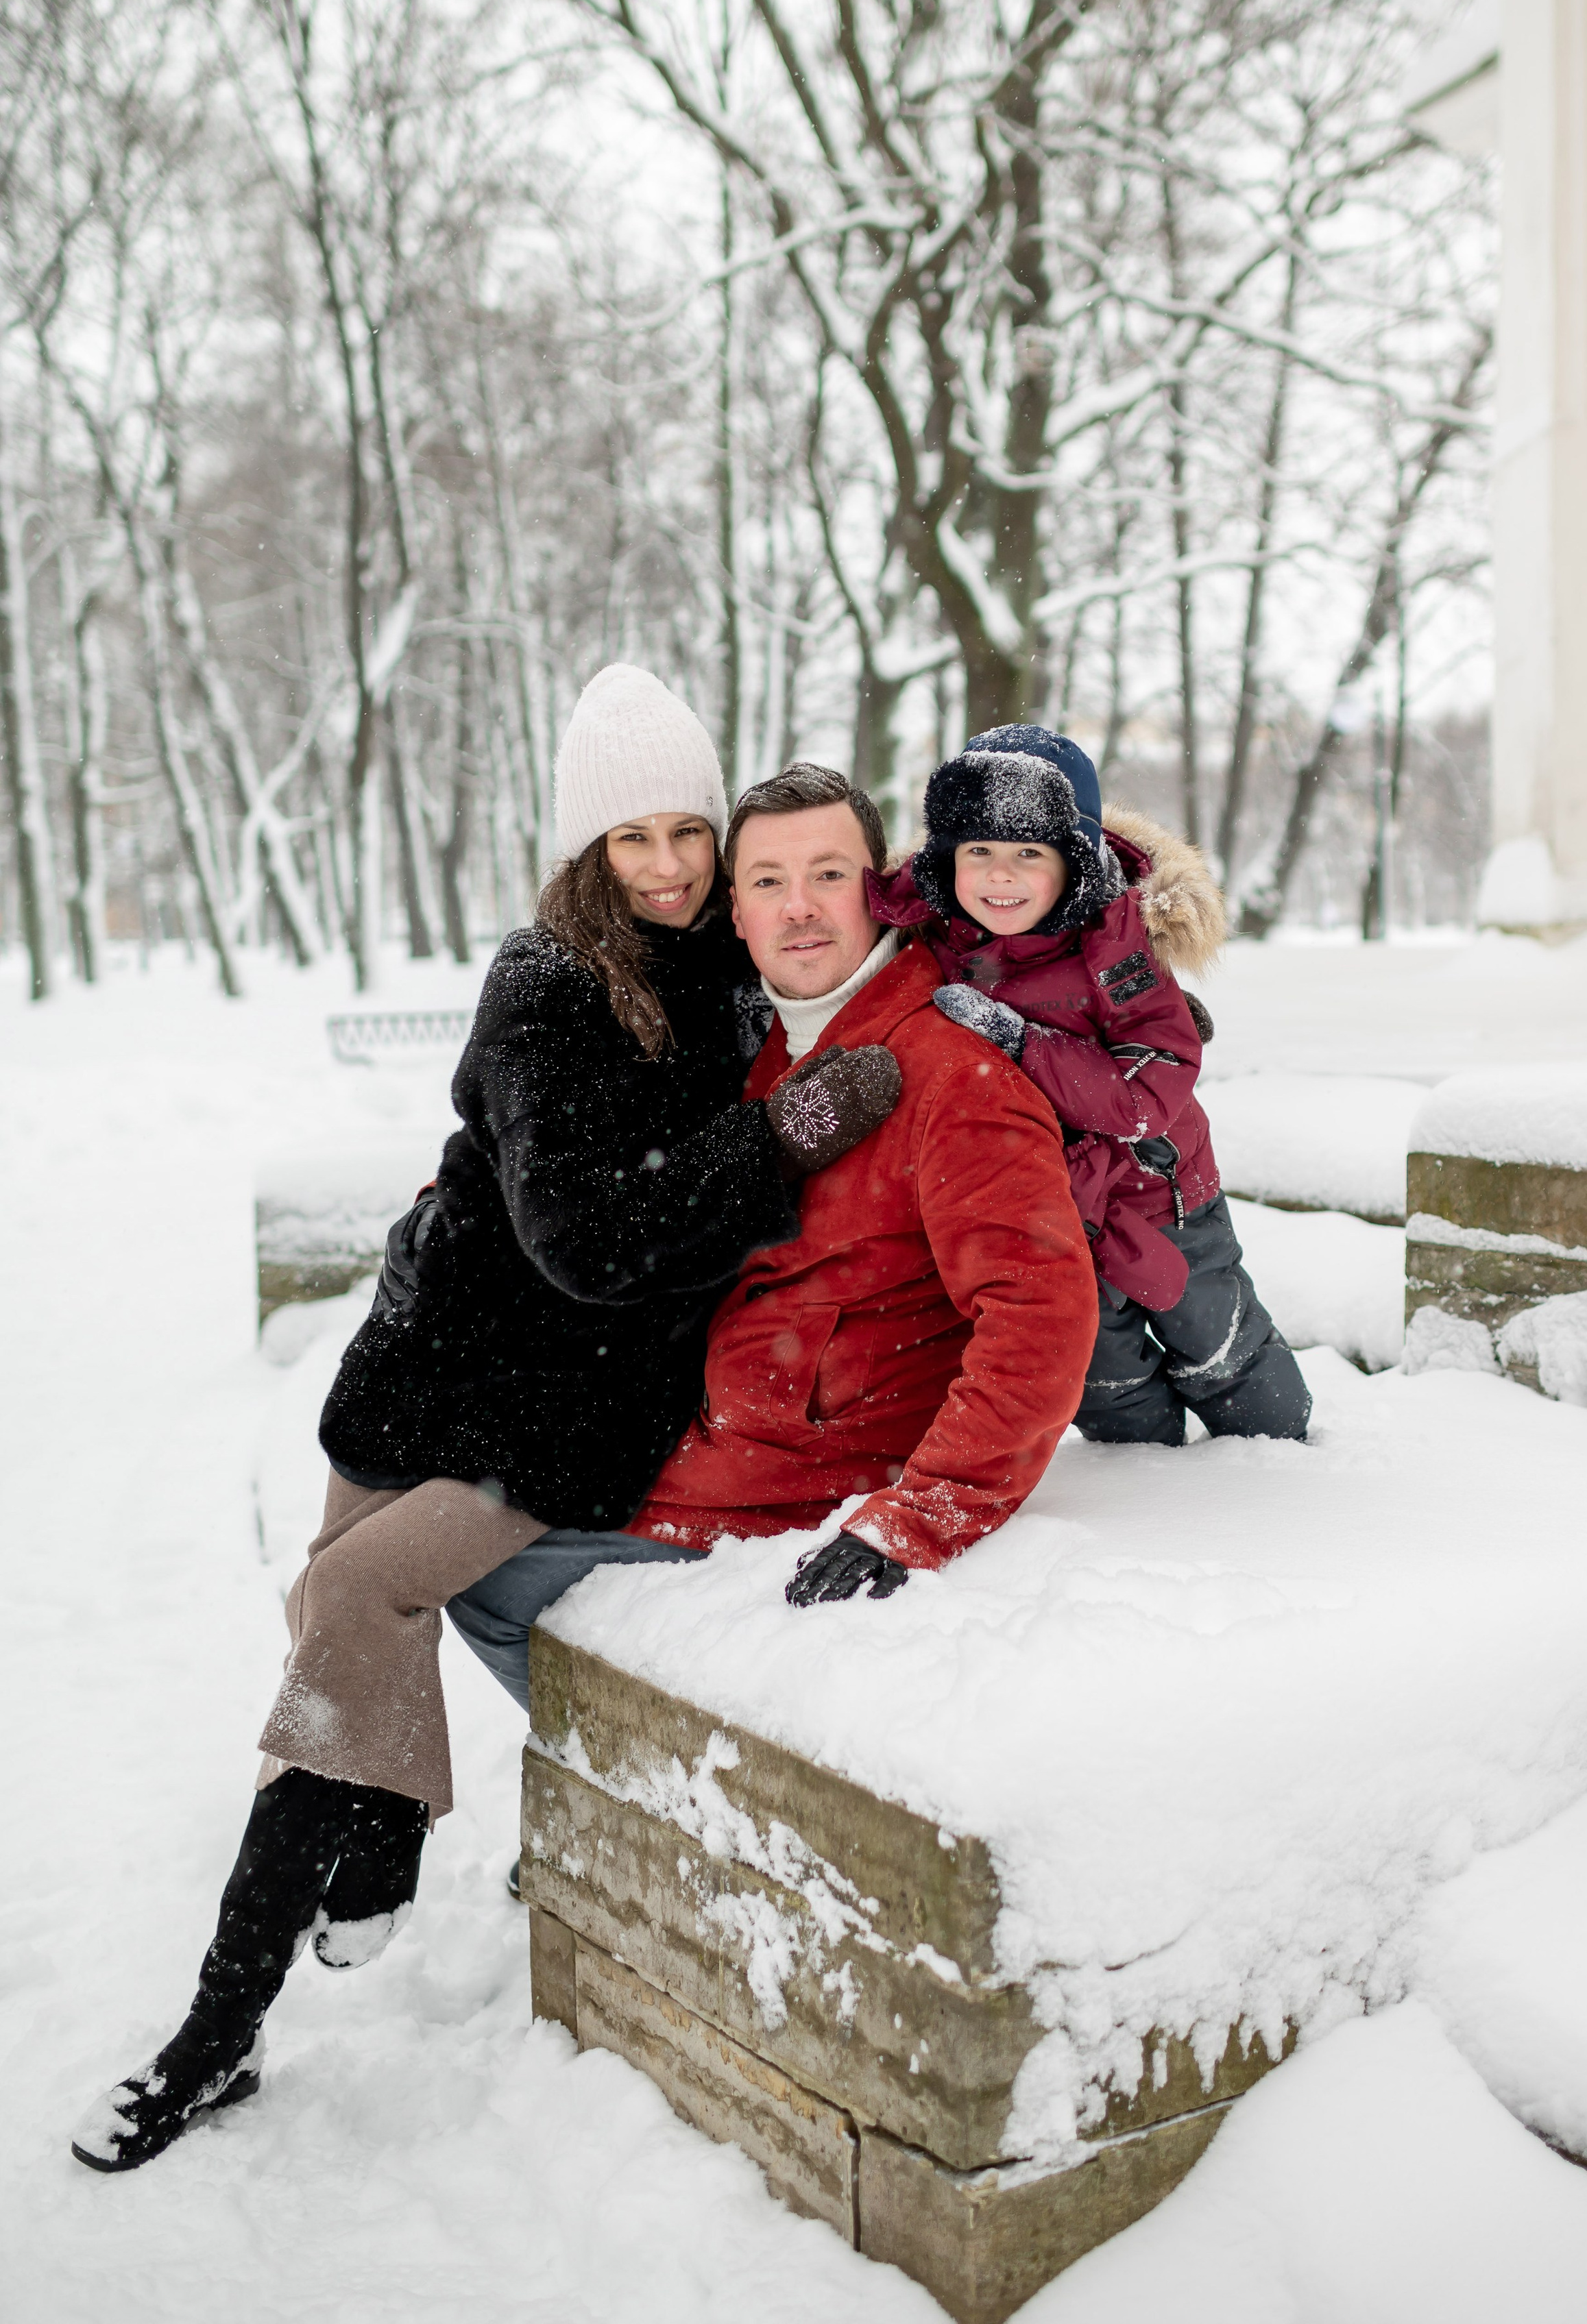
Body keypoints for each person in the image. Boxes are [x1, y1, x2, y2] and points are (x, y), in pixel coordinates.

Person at [72, 670, 897, 2175]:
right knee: (328, 1636)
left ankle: (214, 2028)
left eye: (687, 831)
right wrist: (768, 1141)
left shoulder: (729, 963)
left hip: (559, 1412)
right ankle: (364, 1852)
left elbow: (845, 946)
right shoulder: (545, 979)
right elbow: (582, 1229)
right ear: (583, 849)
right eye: (631, 837)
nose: (668, 865)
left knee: (344, 1597)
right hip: (425, 1367)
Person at [439, 759, 1098, 1678]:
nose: (799, 909)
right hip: (703, 1457)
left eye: (829, 875)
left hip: (799, 1496)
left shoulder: (952, 1076)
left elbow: (1043, 1318)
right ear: (734, 913)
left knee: (484, 1581)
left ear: (884, 894)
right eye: (767, 882)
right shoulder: (759, 1054)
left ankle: (666, 1806)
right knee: (424, 1541)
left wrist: (919, 1516)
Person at [873, 722, 1311, 1451]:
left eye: (1026, 854)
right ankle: (1137, 1480)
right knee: (1099, 1370)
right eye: (977, 852)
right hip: (1053, 1211)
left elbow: (1144, 1096)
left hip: (1161, 1195)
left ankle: (1276, 1451)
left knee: (1217, 1344)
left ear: (1072, 863)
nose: (999, 876)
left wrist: (1023, 1044)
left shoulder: (1117, 939)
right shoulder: (936, 939)